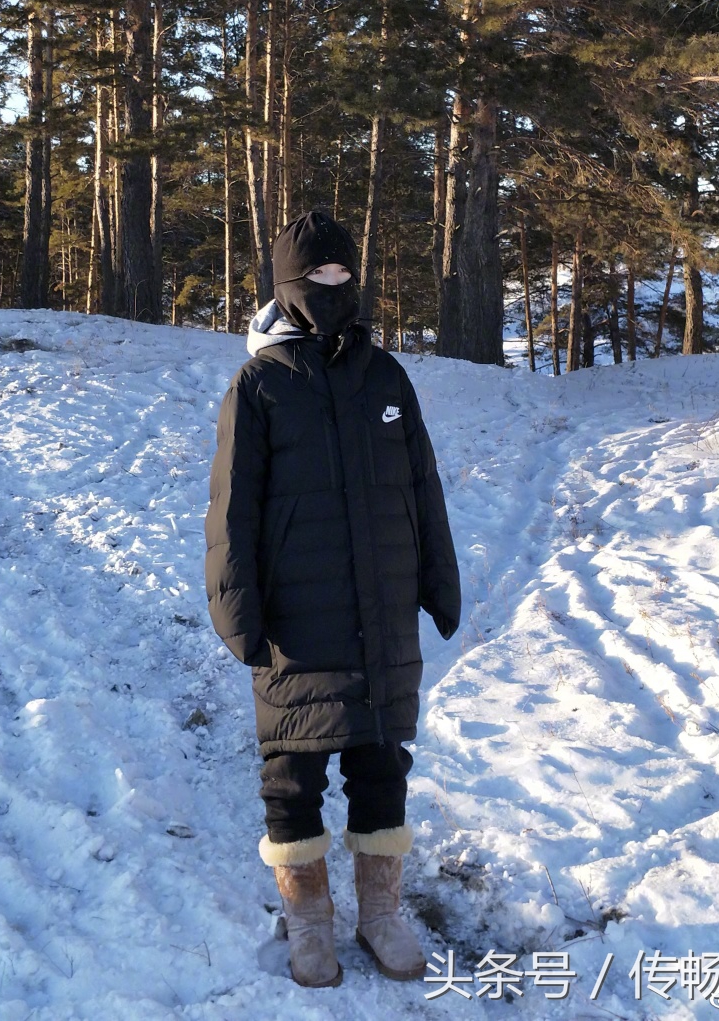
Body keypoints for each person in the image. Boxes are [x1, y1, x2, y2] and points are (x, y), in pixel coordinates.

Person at [204, 209, 461, 989]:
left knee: (382, 759)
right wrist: (236, 608)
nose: (333, 286)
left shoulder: (386, 378)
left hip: (380, 611)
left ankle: (381, 911)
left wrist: (438, 580)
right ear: (286, 284)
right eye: (316, 276)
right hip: (298, 622)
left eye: (343, 273)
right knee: (294, 770)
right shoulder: (259, 385)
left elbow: (423, 486)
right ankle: (309, 916)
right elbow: (232, 509)